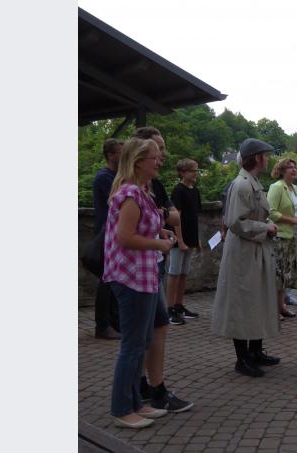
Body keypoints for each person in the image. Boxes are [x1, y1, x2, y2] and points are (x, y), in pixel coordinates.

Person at [102, 137, 175, 428]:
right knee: (132, 347)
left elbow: (139, 230)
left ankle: (135, 404)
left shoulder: (142, 191)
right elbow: (124, 237)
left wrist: (162, 235)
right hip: (130, 277)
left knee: (142, 342)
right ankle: (121, 409)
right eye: (154, 157)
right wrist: (159, 245)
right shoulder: (131, 193)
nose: (159, 161)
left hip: (142, 277)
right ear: (138, 162)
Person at [131, 126, 193, 413]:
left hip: (152, 264)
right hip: (138, 269)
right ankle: (144, 392)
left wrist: (160, 216)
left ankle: (149, 387)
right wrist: (161, 218)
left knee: (157, 327)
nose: (162, 156)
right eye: (157, 150)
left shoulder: (154, 185)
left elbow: (175, 216)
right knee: (145, 334)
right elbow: (125, 232)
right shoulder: (131, 187)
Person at [211, 138, 281, 378]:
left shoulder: (252, 182)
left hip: (253, 249)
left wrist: (268, 224)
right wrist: (266, 227)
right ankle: (242, 359)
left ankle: (256, 351)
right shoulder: (242, 185)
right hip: (243, 252)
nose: (268, 158)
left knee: (257, 298)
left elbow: (254, 214)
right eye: (265, 155)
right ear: (257, 158)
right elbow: (236, 222)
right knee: (242, 301)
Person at [267, 158, 297, 320]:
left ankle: (281, 306)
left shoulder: (295, 189)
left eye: (295, 167)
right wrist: (292, 221)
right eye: (289, 167)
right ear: (281, 171)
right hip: (280, 236)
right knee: (277, 274)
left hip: (293, 236)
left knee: (286, 274)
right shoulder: (277, 187)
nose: (293, 170)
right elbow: (270, 212)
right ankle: (272, 310)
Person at [92, 138, 123, 340]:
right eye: (121, 152)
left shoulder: (114, 176)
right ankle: (102, 325)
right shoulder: (104, 177)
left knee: (112, 280)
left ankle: (112, 321)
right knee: (106, 280)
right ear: (111, 155)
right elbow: (118, 201)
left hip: (114, 234)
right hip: (106, 235)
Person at [167, 158, 202, 324]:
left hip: (190, 239)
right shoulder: (178, 191)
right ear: (182, 173)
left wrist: (197, 240)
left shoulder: (195, 191)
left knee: (183, 274)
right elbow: (177, 218)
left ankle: (179, 305)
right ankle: (169, 308)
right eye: (192, 170)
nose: (196, 173)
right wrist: (179, 240)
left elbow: (195, 217)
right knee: (174, 273)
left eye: (196, 170)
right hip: (179, 241)